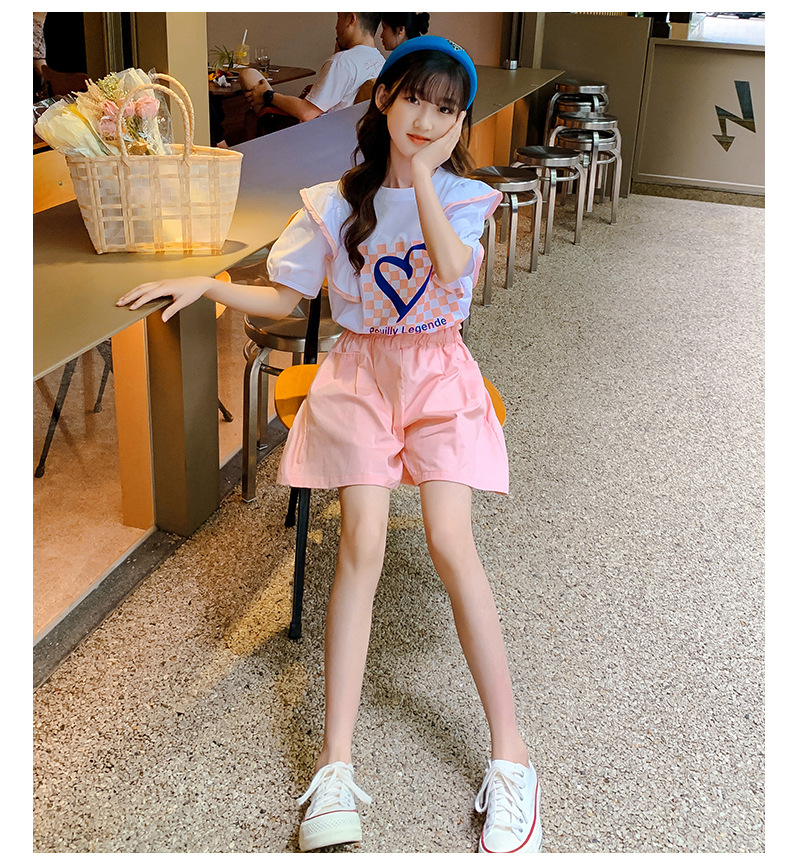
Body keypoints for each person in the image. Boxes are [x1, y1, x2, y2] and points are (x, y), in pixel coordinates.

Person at [117, 35, 542, 856]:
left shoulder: (463, 197)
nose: (428, 120)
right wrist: (208, 282)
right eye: (414, 99)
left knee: (451, 541)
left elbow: (453, 271)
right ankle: (334, 763)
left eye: (447, 110)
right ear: (383, 98)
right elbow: (286, 294)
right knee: (360, 543)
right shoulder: (333, 203)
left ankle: (512, 755)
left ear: (460, 124)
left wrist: (422, 174)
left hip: (438, 375)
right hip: (359, 377)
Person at [239, 12, 385, 132]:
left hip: (312, 136)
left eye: (339, 18)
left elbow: (306, 113)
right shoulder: (382, 61)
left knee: (248, 75)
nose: (336, 27)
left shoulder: (342, 62)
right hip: (351, 135)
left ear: (351, 19)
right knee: (251, 114)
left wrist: (268, 95)